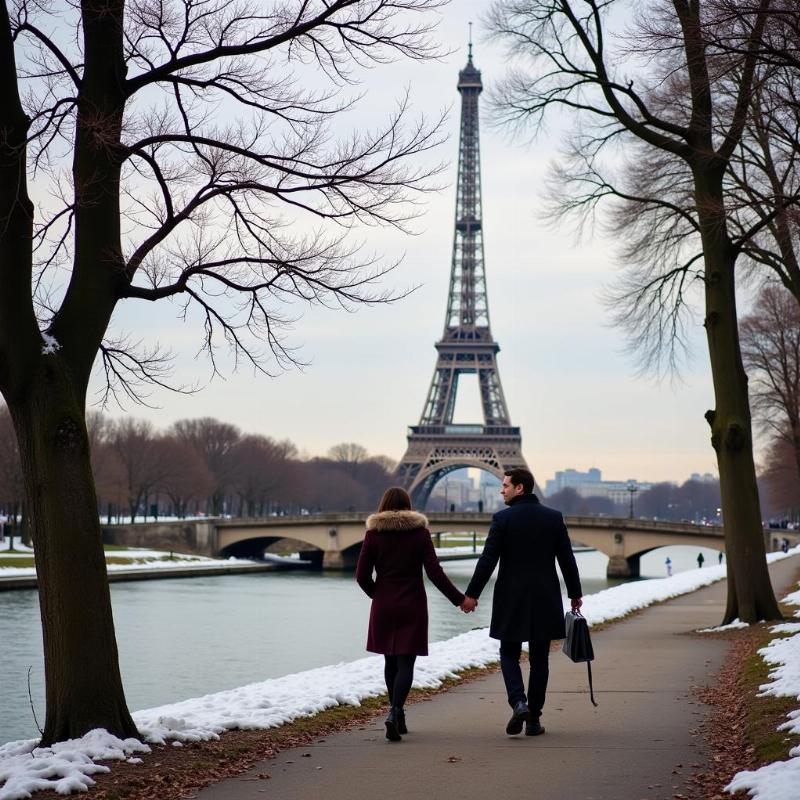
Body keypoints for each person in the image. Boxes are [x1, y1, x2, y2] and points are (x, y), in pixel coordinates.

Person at [462, 468, 583, 737]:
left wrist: (472, 594)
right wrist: (575, 593)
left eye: (505, 485)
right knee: (540, 659)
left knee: (508, 653)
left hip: (511, 597)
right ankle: (534, 720)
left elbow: (488, 560)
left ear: (519, 488)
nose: (501, 490)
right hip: (545, 596)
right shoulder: (553, 518)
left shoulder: (502, 519)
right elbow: (567, 560)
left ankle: (518, 702)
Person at [356, 487, 468, 742]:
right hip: (413, 603)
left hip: (384, 604)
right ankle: (396, 712)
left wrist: (378, 595)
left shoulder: (373, 534)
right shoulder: (420, 534)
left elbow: (362, 576)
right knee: (406, 662)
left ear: (382, 505)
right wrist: (459, 599)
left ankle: (396, 712)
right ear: (409, 506)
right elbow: (435, 573)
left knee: (389, 661)